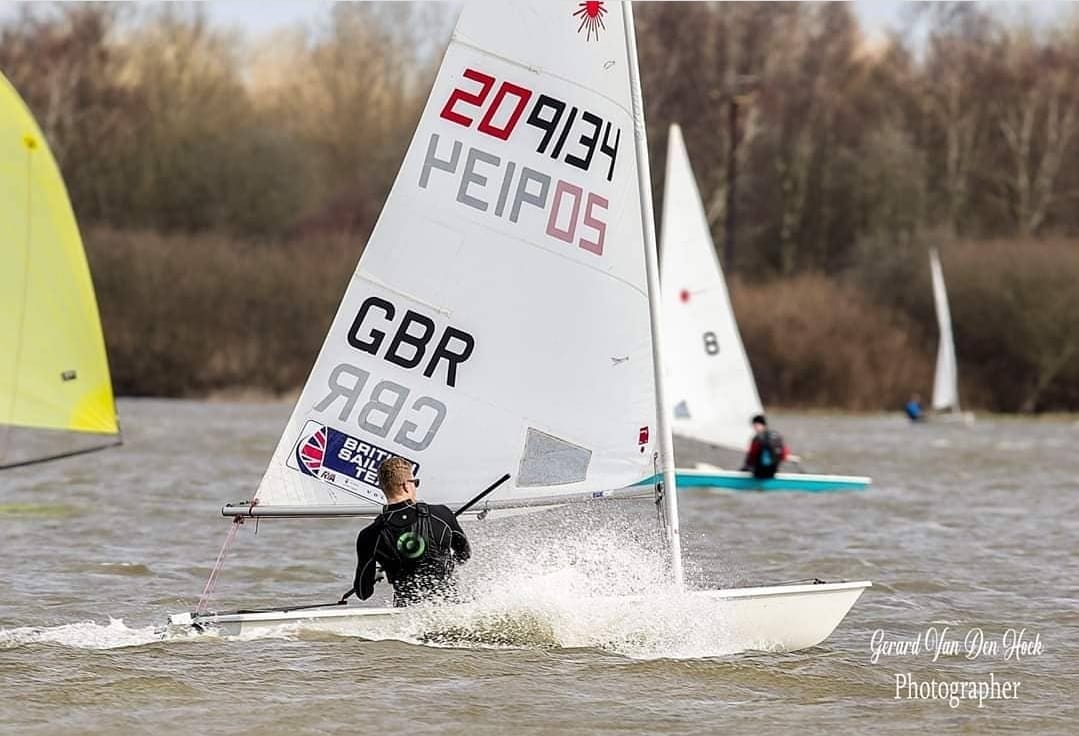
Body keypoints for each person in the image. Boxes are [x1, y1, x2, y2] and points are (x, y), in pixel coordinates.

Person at [353, 456, 471, 607]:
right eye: (415, 483)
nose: (415, 486)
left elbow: (363, 593)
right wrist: (445, 564)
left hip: (409, 615)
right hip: (449, 608)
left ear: (384, 488)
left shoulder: (369, 535)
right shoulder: (441, 514)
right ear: (406, 486)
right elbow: (464, 554)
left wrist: (374, 574)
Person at [741, 414, 788, 479]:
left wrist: (744, 468)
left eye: (755, 425)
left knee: (745, 469)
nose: (754, 428)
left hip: (759, 473)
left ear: (760, 424)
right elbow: (784, 455)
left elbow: (751, 456)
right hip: (773, 471)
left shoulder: (757, 438)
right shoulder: (777, 435)